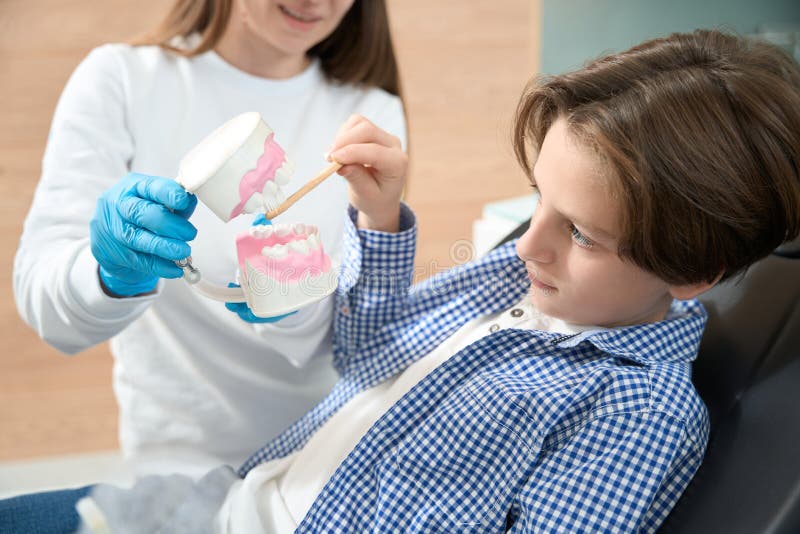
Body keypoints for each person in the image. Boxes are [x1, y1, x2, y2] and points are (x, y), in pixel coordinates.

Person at [3, 29, 800, 533]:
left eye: (582, 233)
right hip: (231, 501)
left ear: (692, 273)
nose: (528, 245)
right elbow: (366, 356)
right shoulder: (520, 280)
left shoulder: (638, 412)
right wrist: (379, 221)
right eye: (538, 201)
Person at [12, 0, 407, 477]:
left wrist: (294, 306)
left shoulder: (369, 120)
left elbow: (367, 341)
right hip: (183, 467)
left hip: (332, 457)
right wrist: (111, 275)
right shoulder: (122, 79)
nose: (316, 3)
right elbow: (49, 315)